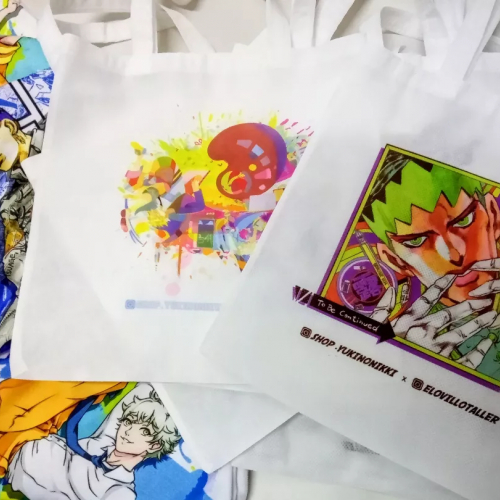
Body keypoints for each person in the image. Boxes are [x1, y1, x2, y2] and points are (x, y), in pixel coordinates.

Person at [363, 150, 500, 378]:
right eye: (416, 241)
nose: (454, 254)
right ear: (395, 260)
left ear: (493, 216)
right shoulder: (414, 338)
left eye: (465, 220)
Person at [7, 385, 181, 499]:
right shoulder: (101, 444)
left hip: (17, 462)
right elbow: (145, 389)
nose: (128, 431)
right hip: (23, 441)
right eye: (128, 421)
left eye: (144, 431)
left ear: (155, 445)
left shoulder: (120, 491)